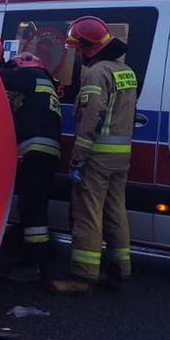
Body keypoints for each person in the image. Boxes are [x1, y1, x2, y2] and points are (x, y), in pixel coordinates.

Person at [52, 16, 138, 294]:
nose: (76, 53)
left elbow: (90, 118)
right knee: (116, 212)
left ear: (88, 46)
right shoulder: (126, 71)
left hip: (97, 156)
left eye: (78, 47)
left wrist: (78, 158)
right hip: (121, 156)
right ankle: (119, 269)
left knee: (87, 214)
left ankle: (83, 276)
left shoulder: (96, 73)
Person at [0, 52, 62, 284]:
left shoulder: (30, 76)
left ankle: (36, 264)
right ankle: (30, 255)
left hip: (34, 153)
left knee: (32, 209)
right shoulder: (44, 82)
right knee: (33, 206)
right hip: (46, 154)